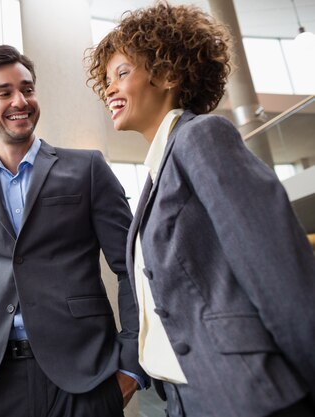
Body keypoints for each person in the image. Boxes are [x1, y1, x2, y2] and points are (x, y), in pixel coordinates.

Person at [86, 3, 315, 417]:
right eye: (106, 81)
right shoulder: (159, 171)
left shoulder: (202, 137)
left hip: (246, 395)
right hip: (186, 397)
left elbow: (275, 266)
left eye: (122, 73)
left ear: (169, 74)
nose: (109, 90)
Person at [0, 45, 148, 417]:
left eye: (27, 89)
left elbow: (132, 267)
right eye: (4, 93)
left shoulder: (88, 169)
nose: (21, 100)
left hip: (85, 381)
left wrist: (131, 365)